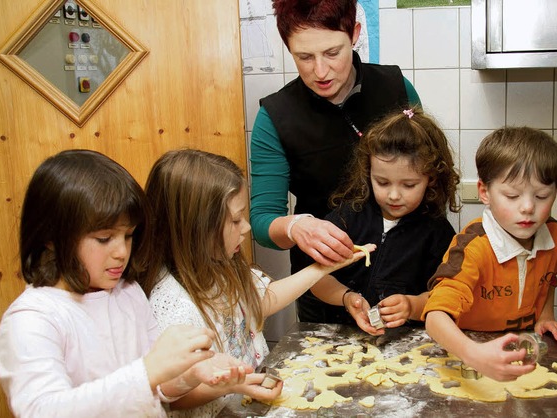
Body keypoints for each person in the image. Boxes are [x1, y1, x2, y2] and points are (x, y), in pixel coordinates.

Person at [0, 150, 251, 418]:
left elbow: (154, 389)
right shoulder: (32, 318)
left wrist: (187, 376)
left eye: (128, 235)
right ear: (51, 237)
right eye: (105, 238)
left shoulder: (127, 293)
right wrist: (149, 370)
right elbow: (43, 411)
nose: (121, 252)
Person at [141, 149, 374, 417]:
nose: (247, 228)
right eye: (236, 220)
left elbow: (262, 300)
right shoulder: (173, 305)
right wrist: (235, 385)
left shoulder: (221, 266)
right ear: (195, 227)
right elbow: (174, 396)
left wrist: (322, 268)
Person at [249, 0, 422, 323]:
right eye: (304, 57)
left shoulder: (397, 89)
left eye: (332, 53)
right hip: (324, 287)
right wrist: (296, 225)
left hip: (405, 286)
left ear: (354, 34)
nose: (321, 71)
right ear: (288, 46)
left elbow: (427, 173)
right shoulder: (275, 116)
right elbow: (261, 221)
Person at [423, 127, 557, 382]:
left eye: (541, 196)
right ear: (485, 192)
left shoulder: (554, 235)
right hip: (468, 350)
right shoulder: (473, 247)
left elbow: (550, 278)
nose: (528, 208)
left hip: (519, 350)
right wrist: (473, 354)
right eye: (512, 196)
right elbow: (435, 316)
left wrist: (546, 316)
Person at [310, 107, 460, 336]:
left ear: (430, 178)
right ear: (368, 171)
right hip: (343, 338)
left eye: (408, 185)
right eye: (382, 182)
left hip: (409, 343)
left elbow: (447, 294)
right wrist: (346, 297)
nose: (393, 195)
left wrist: (412, 306)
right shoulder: (348, 216)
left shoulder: (436, 231)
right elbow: (315, 279)